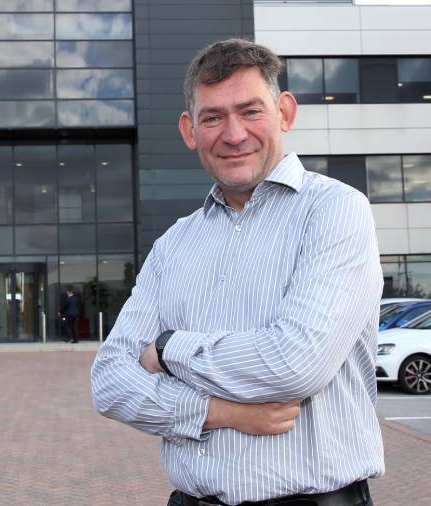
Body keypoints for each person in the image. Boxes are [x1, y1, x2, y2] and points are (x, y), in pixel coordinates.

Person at [91, 38, 384, 506]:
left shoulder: (335, 212)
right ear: (190, 130)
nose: (232, 134)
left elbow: (295, 364)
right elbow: (109, 380)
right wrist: (219, 411)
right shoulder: (174, 245)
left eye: (250, 111)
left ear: (285, 113)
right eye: (212, 117)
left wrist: (168, 350)